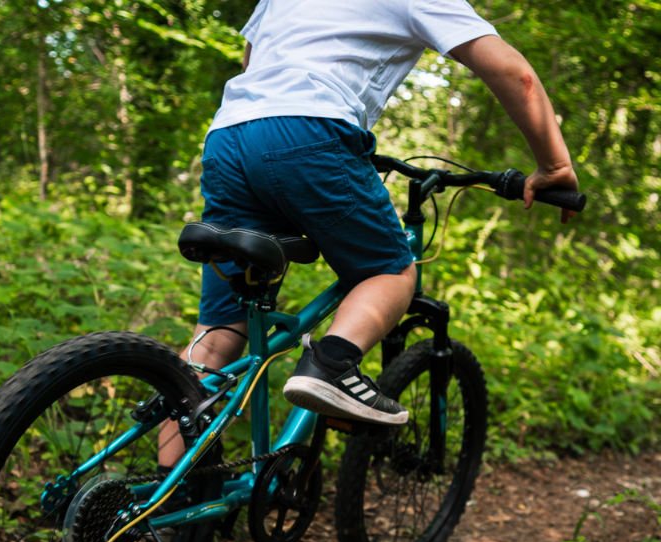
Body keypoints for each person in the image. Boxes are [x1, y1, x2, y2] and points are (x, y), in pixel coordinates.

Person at [160, 0, 578, 465]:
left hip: (229, 136)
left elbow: (252, 59)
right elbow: (512, 71)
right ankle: (331, 363)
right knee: (390, 272)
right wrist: (555, 166)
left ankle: (166, 509)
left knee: (217, 338)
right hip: (311, 130)